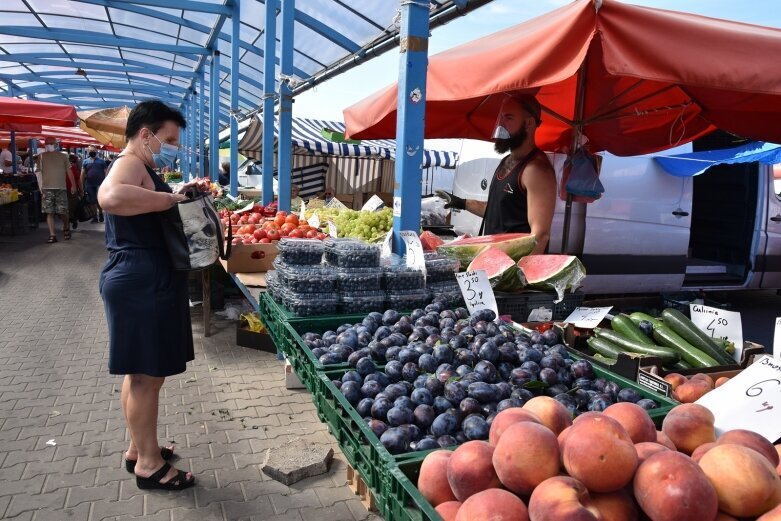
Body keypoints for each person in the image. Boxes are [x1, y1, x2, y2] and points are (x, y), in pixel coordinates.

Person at [98, 100, 201, 491]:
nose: (170, 146)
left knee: (138, 372)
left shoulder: (141, 167)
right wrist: (171, 199)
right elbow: (109, 197)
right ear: (146, 134)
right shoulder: (131, 163)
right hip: (141, 278)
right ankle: (149, 465)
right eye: (168, 139)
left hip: (138, 275)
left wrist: (173, 192)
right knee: (147, 377)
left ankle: (139, 448)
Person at [435, 94, 556, 254]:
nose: (501, 125)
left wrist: (518, 275)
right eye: (501, 118)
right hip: (494, 259)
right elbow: (497, 210)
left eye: (508, 118)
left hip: (514, 269)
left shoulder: (537, 170)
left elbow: (540, 236)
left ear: (528, 123)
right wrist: (461, 203)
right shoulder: (506, 161)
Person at [37, 137, 76, 243]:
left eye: (50, 143)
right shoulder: (41, 157)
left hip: (61, 188)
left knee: (63, 212)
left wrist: (73, 185)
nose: (48, 145)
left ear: (55, 144)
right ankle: (52, 235)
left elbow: (69, 171)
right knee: (49, 212)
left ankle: (66, 226)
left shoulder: (63, 156)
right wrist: (40, 186)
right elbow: (39, 172)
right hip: (47, 188)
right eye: (47, 143)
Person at [81, 146, 107, 223]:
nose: (92, 152)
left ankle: (100, 213)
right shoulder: (85, 161)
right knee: (92, 201)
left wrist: (106, 183)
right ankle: (95, 217)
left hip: (100, 184)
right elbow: (82, 174)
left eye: (93, 150)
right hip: (89, 184)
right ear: (88, 151)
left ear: (96, 151)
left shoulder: (102, 161)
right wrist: (81, 185)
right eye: (90, 150)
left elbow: (106, 172)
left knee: (99, 200)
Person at [66, 154, 82, 230]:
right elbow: (78, 180)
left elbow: (78, 179)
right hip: (72, 189)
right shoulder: (74, 167)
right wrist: (81, 190)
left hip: (67, 189)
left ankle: (70, 220)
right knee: (73, 206)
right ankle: (72, 219)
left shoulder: (70, 167)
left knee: (69, 206)